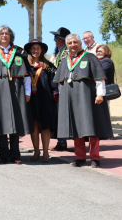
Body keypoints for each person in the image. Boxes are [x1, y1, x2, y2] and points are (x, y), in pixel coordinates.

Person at [54, 34, 112, 168]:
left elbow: (99, 78)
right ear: (67, 45)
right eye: (70, 43)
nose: (72, 45)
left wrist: (100, 95)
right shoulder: (64, 60)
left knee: (92, 129)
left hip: (88, 99)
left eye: (75, 42)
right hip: (71, 100)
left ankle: (95, 158)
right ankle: (80, 157)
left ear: (80, 43)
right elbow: (60, 82)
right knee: (76, 129)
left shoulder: (90, 57)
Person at [0, 26, 32, 164]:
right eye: (2, 33)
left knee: (16, 121)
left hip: (16, 89)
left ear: (11, 36)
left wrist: (27, 92)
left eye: (7, 33)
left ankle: (15, 155)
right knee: (0, 121)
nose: (4, 36)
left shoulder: (19, 52)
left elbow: (27, 75)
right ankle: (3, 154)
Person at [25, 39, 57, 163]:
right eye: (33, 48)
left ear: (42, 50)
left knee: (45, 126)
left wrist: (55, 93)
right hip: (30, 99)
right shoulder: (25, 66)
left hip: (45, 99)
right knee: (34, 125)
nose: (35, 51)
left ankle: (45, 152)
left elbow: (54, 81)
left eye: (38, 48)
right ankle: (36, 151)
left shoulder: (48, 66)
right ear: (29, 50)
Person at [49, 27, 70, 152]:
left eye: (56, 37)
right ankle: (61, 141)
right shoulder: (57, 51)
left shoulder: (66, 52)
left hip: (63, 85)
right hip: (56, 84)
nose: (54, 39)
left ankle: (63, 142)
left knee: (62, 114)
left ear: (61, 39)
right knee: (58, 115)